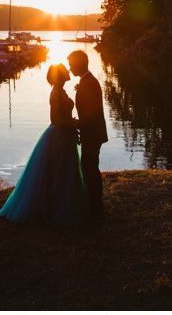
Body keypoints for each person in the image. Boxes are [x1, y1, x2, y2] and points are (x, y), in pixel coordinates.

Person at [0, 63, 90, 226]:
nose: (69, 71)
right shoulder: (55, 93)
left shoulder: (61, 91)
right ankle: (56, 209)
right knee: (60, 172)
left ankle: (63, 206)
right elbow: (55, 119)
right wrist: (73, 123)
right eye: (65, 70)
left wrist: (71, 124)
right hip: (59, 136)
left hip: (65, 134)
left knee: (65, 172)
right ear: (61, 75)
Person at [68, 49, 108, 218]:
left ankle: (96, 208)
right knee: (89, 167)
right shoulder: (87, 81)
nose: (70, 68)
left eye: (71, 65)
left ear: (78, 64)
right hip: (92, 132)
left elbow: (91, 113)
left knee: (90, 168)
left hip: (92, 133)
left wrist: (77, 123)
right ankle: (94, 205)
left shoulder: (89, 83)